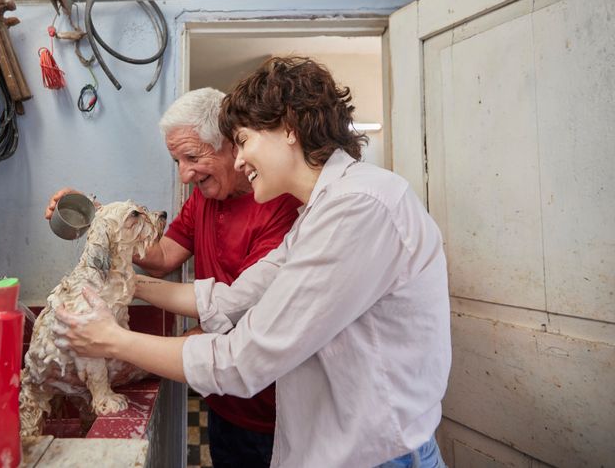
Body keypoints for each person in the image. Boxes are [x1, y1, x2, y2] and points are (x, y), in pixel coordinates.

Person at [52, 57, 452, 467]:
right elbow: (230, 300)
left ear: (289, 129)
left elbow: (244, 358)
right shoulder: (319, 213)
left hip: (376, 457)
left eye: (242, 140)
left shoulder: (358, 209)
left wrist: (114, 340)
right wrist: (120, 279)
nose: (240, 159)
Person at [45, 87, 302, 467]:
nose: (184, 173)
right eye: (177, 161)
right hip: (223, 400)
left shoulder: (281, 205)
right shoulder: (203, 197)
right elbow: (162, 255)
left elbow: (239, 306)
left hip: (276, 411)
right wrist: (105, 221)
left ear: (233, 145)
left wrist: (119, 340)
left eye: (192, 157)